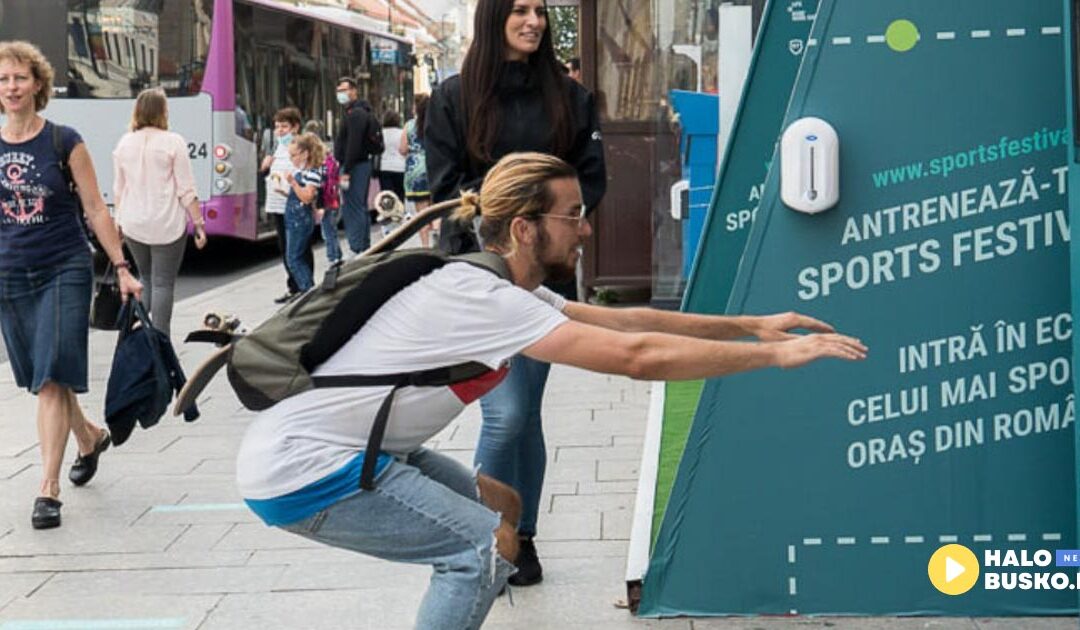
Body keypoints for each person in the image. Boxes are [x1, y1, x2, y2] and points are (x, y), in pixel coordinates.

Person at [234, 152, 867, 629]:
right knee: (478, 551)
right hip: (306, 469)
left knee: (504, 509)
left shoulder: (496, 285)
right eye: (573, 216)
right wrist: (777, 358)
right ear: (524, 229)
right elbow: (636, 357)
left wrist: (752, 326)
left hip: (358, 449)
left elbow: (627, 321)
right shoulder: (481, 296)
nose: (585, 229)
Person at [425, 0, 606, 586]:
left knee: (524, 415)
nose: (533, 21)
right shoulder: (454, 97)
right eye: (520, 10)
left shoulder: (571, 98)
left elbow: (591, 180)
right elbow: (445, 189)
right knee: (506, 416)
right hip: (478, 280)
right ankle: (491, 537)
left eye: (540, 11)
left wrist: (554, 222)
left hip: (546, 278)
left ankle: (516, 539)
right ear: (495, 15)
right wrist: (511, 214)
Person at [0, 40, 142, 529]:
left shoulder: (64, 140)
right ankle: (88, 436)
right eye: (3, 80)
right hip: (10, 272)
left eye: (19, 78)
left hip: (64, 265)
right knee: (41, 375)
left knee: (53, 375)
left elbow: (96, 209)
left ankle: (48, 489)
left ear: (38, 83)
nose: (10, 87)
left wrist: (122, 267)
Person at [112, 87, 207, 337]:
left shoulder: (124, 143)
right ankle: (161, 338)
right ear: (163, 111)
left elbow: (119, 189)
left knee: (145, 277)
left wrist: (118, 222)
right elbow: (186, 188)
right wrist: (198, 223)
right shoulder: (173, 141)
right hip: (166, 222)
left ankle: (140, 332)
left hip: (133, 222)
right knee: (163, 282)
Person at [262, 107, 314, 303]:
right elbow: (268, 170)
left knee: (299, 249)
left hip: (294, 204)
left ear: (295, 127)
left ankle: (305, 287)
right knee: (285, 248)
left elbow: (306, 173)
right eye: (277, 127)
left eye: (284, 126)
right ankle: (294, 286)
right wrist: (267, 166)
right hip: (277, 203)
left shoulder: (299, 147)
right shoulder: (277, 147)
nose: (280, 130)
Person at [333, 77, 381, 255]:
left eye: (344, 90)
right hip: (359, 165)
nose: (341, 94)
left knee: (352, 206)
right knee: (358, 205)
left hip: (354, 166)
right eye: (339, 91)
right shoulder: (360, 111)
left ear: (354, 91)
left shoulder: (356, 114)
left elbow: (353, 144)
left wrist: (347, 169)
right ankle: (362, 244)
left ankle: (358, 246)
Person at [282, 133, 325, 293]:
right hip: (296, 217)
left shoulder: (311, 173)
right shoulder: (305, 171)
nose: (291, 159)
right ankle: (307, 290)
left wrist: (293, 183)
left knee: (294, 259)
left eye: (294, 155)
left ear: (305, 154)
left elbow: (307, 197)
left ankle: (308, 291)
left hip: (299, 219)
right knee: (294, 257)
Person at [304, 119, 342, 265]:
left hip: (324, 199)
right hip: (333, 198)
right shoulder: (328, 155)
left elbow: (319, 182)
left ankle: (333, 257)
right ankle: (337, 254)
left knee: (327, 231)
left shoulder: (318, 161)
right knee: (331, 228)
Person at [400, 93, 433, 247]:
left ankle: (426, 246)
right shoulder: (436, 123)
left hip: (415, 171)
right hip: (434, 168)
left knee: (422, 213)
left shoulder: (409, 125)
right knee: (436, 208)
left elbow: (403, 149)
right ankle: (438, 239)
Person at [377, 111, 406, 204]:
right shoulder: (402, 133)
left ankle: (388, 213)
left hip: (385, 167)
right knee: (400, 194)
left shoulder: (381, 133)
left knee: (387, 195)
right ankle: (399, 214)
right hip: (401, 167)